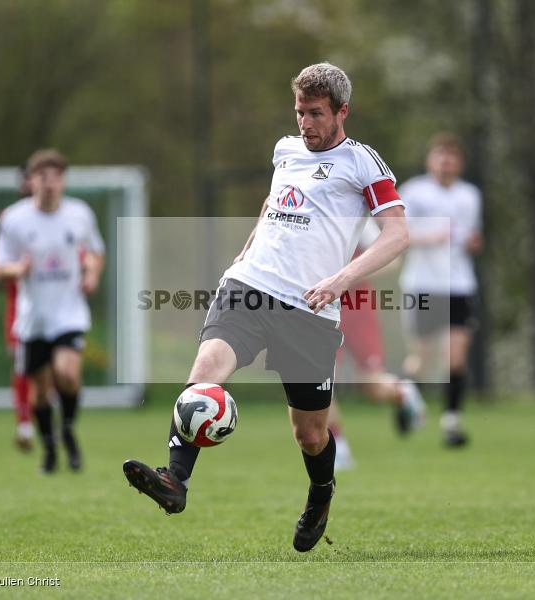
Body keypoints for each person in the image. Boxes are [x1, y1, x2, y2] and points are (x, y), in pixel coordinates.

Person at [122, 62, 409, 552]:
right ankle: (175, 481)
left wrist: (342, 279)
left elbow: (399, 233)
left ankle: (322, 492)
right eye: (300, 112)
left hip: (311, 310)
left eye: (316, 113)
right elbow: (273, 200)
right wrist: (249, 245)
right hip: (249, 286)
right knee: (206, 368)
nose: (306, 123)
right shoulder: (286, 149)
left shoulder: (364, 163)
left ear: (343, 111)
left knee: (310, 434)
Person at [0, 149, 106, 474]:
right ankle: (50, 447)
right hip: (33, 318)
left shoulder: (79, 214)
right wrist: (18, 269)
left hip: (69, 313)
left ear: (63, 180)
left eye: (56, 177)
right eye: (43, 177)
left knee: (67, 374)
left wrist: (92, 274)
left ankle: (67, 429)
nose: (50, 184)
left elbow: (95, 252)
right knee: (40, 390)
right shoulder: (13, 219)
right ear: (31, 181)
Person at [398, 134, 483, 447]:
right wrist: (428, 236)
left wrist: (473, 243)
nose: (446, 161)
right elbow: (395, 232)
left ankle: (452, 423)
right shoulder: (414, 191)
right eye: (440, 155)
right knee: (422, 358)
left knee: (456, 356)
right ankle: (405, 401)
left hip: (459, 284)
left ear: (459, 162)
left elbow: (469, 236)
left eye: (452, 156)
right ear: (429, 160)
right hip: (422, 283)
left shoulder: (470, 195)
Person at [329, 221, 426, 471]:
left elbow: (392, 261)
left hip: (356, 306)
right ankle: (337, 447)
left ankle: (402, 392)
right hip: (319, 306)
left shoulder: (357, 220)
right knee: (321, 380)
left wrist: (346, 276)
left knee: (371, 386)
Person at [0, 166, 34, 452]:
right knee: (24, 365)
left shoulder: (72, 216)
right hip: (21, 307)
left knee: (59, 369)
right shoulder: (10, 218)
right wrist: (17, 269)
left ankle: (49, 422)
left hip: (62, 310)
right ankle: (24, 424)